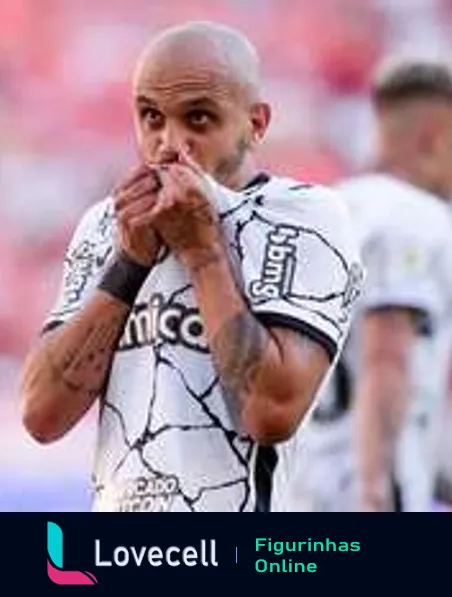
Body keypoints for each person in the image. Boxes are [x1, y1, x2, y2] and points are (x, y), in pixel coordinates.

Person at [19, 21, 363, 512]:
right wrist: (130, 262)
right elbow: (42, 415)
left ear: (256, 124)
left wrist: (202, 252)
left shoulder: (301, 216)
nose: (168, 144)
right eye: (151, 117)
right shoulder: (105, 225)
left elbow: (271, 411)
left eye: (198, 119)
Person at [287, 57, 452, 512]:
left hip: (294, 491)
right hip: (362, 498)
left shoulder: (319, 214)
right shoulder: (414, 218)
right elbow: (385, 359)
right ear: (437, 139)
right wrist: (375, 493)